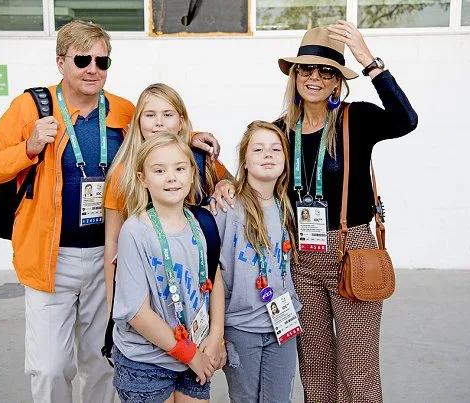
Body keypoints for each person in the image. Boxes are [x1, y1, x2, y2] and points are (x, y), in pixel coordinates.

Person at [0, 20, 220, 403]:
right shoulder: (30, 107)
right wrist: (27, 147)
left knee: (101, 361)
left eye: (102, 61)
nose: (93, 69)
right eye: (82, 59)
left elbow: (155, 133)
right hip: (49, 257)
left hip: (110, 257)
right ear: (61, 63)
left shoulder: (121, 110)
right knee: (50, 366)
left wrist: (189, 138)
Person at [212, 22, 418, 403]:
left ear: (338, 82)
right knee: (315, 368)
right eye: (306, 68)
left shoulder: (357, 119)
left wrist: (369, 61)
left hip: (350, 250)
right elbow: (253, 174)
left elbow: (406, 120)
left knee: (357, 369)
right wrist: (226, 182)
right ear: (294, 76)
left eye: (327, 71)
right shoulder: (278, 132)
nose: (315, 76)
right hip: (297, 257)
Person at [112, 133, 225, 403]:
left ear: (192, 173)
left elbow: (214, 279)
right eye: (159, 170)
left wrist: (216, 335)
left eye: (179, 168)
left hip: (194, 353)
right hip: (147, 361)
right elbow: (137, 314)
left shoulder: (201, 224)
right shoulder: (135, 232)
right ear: (143, 179)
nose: (171, 177)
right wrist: (191, 355)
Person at [103, 83, 232, 312]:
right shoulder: (122, 174)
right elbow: (112, 242)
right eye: (150, 115)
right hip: (148, 281)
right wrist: (113, 308)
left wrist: (224, 183)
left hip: (196, 277)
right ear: (137, 122)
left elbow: (237, 184)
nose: (159, 122)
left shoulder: (199, 159)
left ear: (181, 120)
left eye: (168, 115)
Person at [213, 121, 302, 403]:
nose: (268, 154)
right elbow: (210, 268)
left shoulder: (287, 205)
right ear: (245, 160)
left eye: (276, 149)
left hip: (283, 325)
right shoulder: (226, 206)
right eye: (258, 149)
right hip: (240, 328)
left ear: (286, 161)